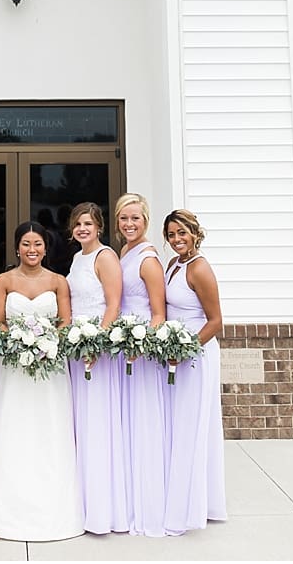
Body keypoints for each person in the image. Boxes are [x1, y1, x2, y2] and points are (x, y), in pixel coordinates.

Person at [0, 221, 83, 541]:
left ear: (46, 247)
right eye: (26, 244)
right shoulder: (3, 280)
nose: (32, 250)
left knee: (49, 428)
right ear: (16, 248)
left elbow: (65, 323)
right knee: (15, 429)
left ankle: (54, 506)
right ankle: (10, 508)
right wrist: (19, 341)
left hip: (50, 366)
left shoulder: (58, 281)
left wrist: (46, 343)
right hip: (13, 367)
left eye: (37, 244)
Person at [161, 209, 227, 534]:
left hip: (196, 355)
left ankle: (194, 505)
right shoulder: (174, 264)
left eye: (182, 233)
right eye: (171, 235)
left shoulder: (200, 268)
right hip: (176, 352)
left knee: (193, 424)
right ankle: (185, 495)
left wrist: (184, 350)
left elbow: (215, 321)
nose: (176, 240)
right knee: (180, 425)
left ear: (195, 233)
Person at [66, 201, 128, 534]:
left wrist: (97, 343)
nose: (82, 229)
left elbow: (114, 303)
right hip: (78, 345)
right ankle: (83, 498)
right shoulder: (77, 259)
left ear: (99, 226)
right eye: (78, 224)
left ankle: (103, 506)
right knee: (82, 420)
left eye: (88, 223)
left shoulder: (106, 257)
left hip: (97, 349)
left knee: (98, 420)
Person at [115, 192, 169, 537]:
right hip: (122, 341)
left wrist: (142, 346)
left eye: (135, 218)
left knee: (142, 419)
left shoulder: (149, 260)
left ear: (146, 219)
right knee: (127, 420)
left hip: (140, 349)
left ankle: (147, 499)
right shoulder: (123, 252)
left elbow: (159, 313)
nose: (129, 224)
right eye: (124, 218)